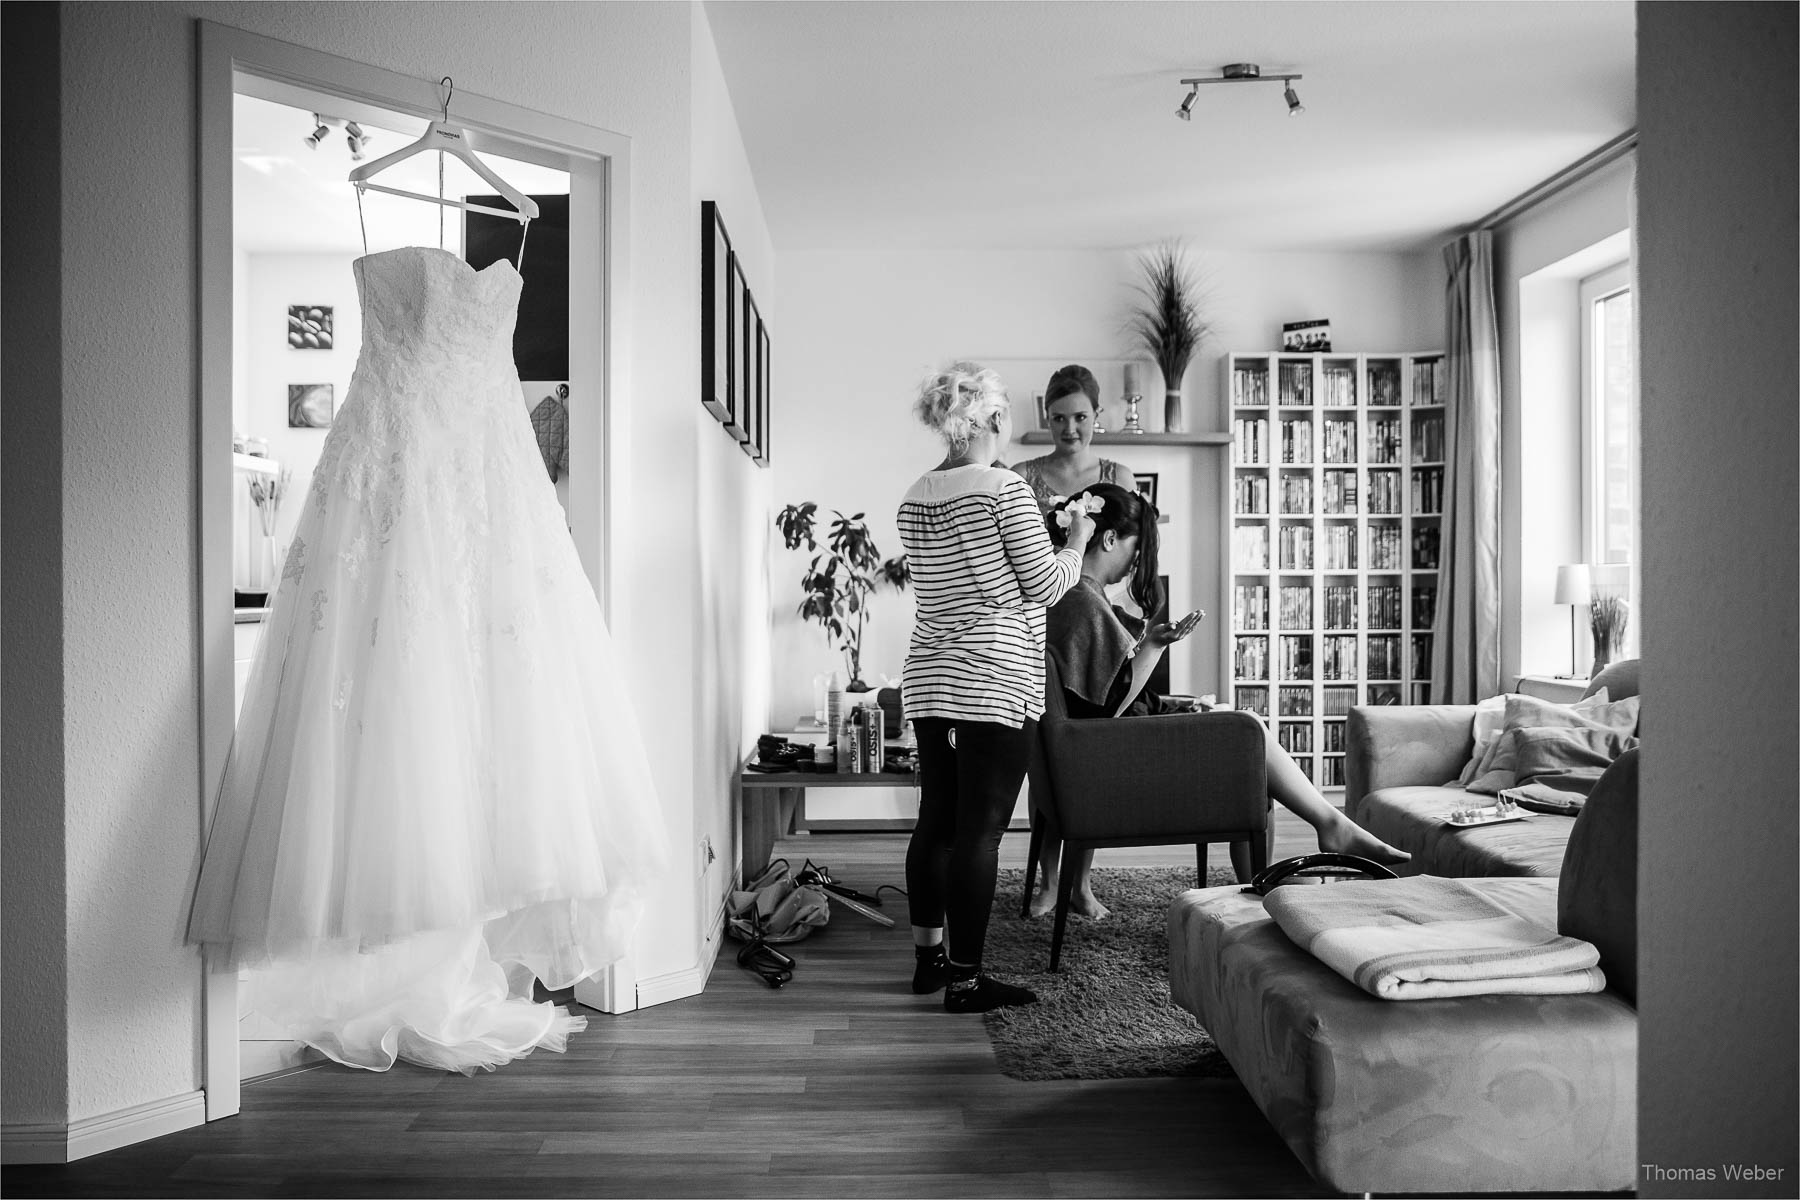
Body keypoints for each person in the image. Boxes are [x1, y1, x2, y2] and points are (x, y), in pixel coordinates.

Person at [1032, 484, 1408, 919]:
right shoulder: (1082, 597)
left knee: (1238, 726)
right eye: (1134, 549)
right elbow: (1108, 709)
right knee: (1246, 732)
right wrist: (1152, 649)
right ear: (1111, 539)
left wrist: (1155, 651)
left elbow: (1101, 700)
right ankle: (1315, 839)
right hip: (1112, 766)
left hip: (1098, 757)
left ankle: (1317, 836)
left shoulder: (1072, 593)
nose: (1135, 563)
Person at [897, 361, 1095, 1012]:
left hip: (930, 674)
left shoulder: (915, 496)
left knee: (937, 824)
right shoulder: (1005, 491)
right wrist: (1077, 541)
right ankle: (966, 981)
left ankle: (929, 961)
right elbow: (1044, 586)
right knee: (982, 832)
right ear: (996, 419)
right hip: (994, 679)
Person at [1011, 364, 1137, 507]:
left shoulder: (1121, 479)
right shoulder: (1021, 478)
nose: (1070, 429)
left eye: (1080, 417)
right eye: (1059, 418)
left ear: (1095, 416)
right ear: (1048, 419)